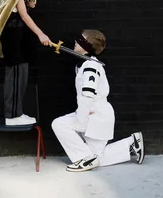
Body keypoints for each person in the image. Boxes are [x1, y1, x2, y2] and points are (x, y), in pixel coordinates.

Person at [51, 30, 145, 172]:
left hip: (94, 115)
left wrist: (82, 119)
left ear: (88, 46)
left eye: (81, 40)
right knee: (97, 157)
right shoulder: (87, 63)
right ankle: (131, 144)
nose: (76, 41)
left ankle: (84, 158)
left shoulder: (90, 66)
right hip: (98, 115)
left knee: (59, 124)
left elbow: (88, 95)